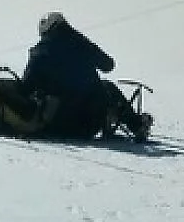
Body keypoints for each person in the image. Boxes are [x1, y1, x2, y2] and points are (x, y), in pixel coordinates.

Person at [21, 12, 152, 140]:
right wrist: (85, 44)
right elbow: (108, 65)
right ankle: (136, 125)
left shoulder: (38, 53)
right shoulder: (81, 45)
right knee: (106, 86)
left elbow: (25, 87)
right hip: (87, 126)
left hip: (53, 125)